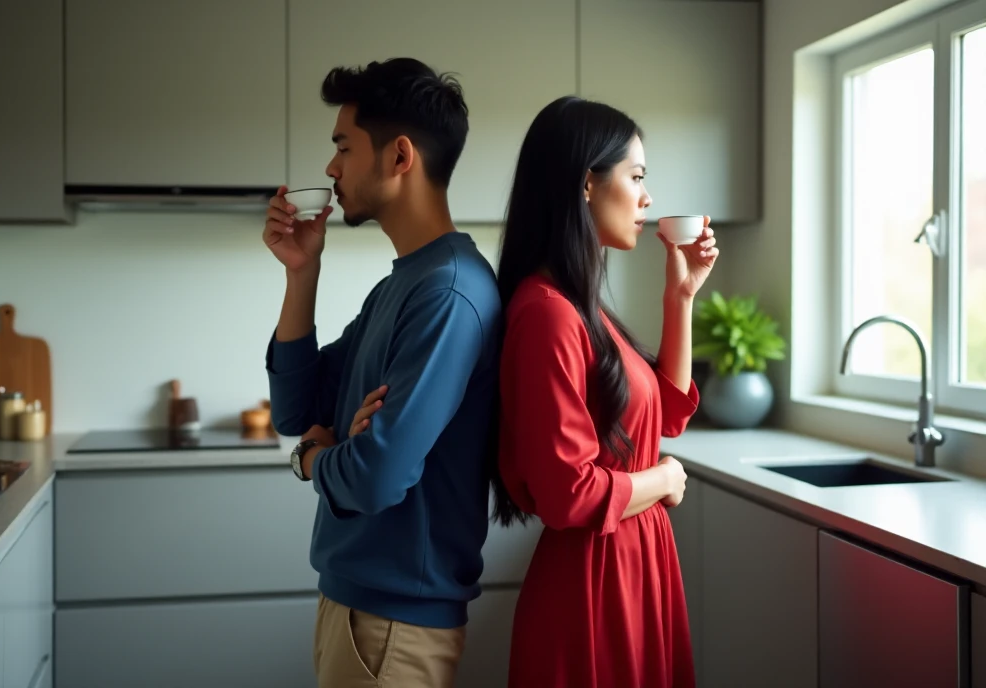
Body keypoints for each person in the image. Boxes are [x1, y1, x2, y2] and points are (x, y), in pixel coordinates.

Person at [263, 57, 502, 688]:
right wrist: (301, 273)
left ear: (399, 157)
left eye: (343, 145)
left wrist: (315, 458)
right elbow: (298, 409)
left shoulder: (449, 294)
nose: (331, 168)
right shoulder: (405, 284)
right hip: (359, 607)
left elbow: (373, 478)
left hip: (394, 625)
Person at [491, 95, 718, 688]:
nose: (647, 198)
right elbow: (569, 493)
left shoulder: (580, 309)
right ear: (585, 183)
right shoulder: (547, 316)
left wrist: (681, 298)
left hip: (634, 559)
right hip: (595, 581)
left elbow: (665, 414)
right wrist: (664, 480)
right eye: (636, 176)